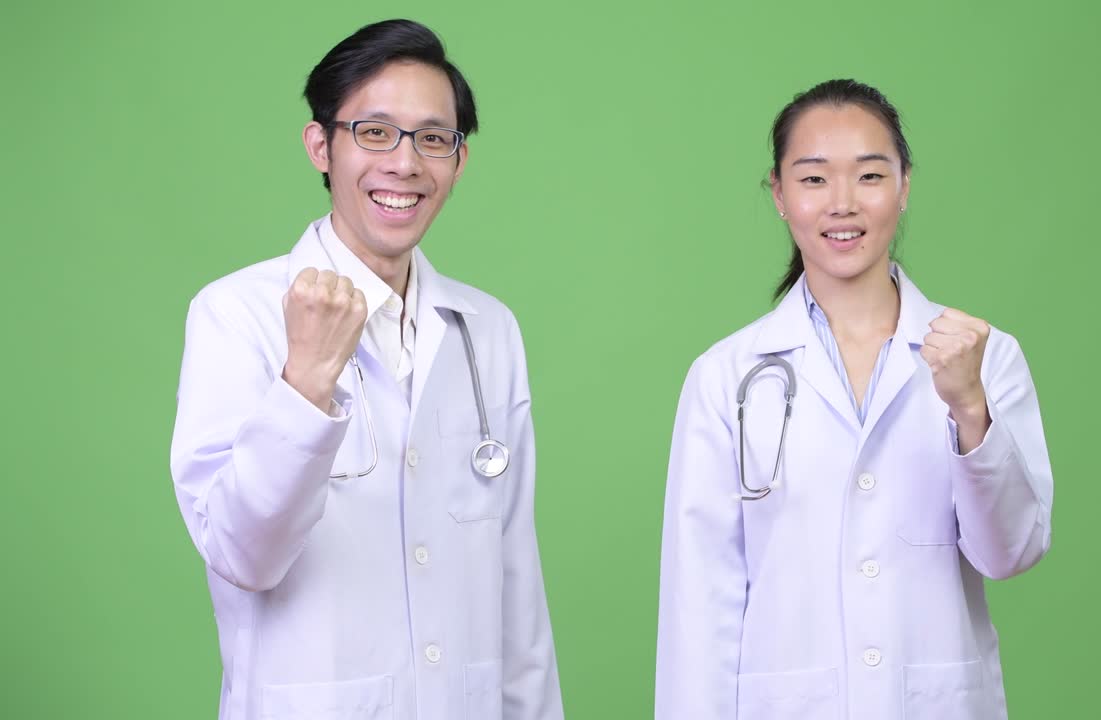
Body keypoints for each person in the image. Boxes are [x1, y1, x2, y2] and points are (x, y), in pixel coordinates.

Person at [170, 19, 562, 720]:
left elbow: (517, 587)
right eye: (375, 132)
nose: (405, 163)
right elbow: (241, 555)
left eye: (433, 138)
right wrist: (305, 384)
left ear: (459, 160)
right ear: (321, 145)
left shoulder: (487, 330)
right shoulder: (236, 315)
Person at [655, 79, 1053, 719]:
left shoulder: (985, 356)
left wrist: (970, 410)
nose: (842, 204)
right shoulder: (725, 377)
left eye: (869, 176)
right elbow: (698, 604)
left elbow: (1010, 553)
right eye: (814, 179)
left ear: (904, 186)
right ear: (779, 195)